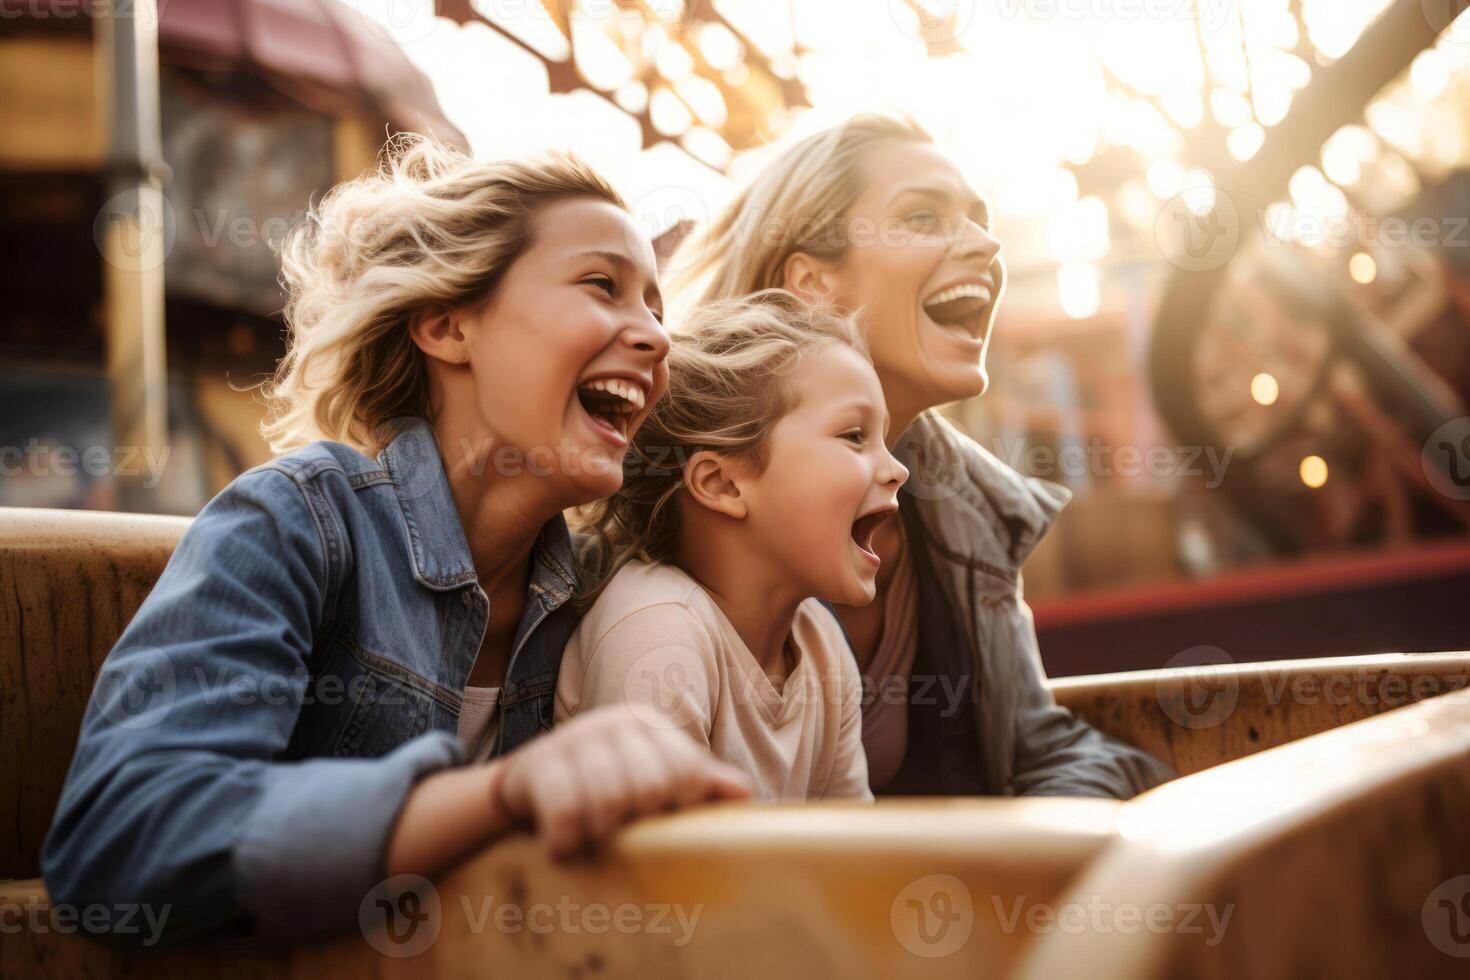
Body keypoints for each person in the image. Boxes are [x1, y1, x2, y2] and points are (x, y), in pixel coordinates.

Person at [42, 136, 751, 948]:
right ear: (448, 325)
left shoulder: (607, 593)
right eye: (603, 286)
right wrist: (501, 795)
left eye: (657, 309)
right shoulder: (295, 520)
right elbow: (124, 834)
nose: (658, 338)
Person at [668, 114, 1175, 797]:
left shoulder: (972, 509)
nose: (986, 243)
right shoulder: (666, 519)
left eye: (978, 217)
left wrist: (1023, 877)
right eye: (923, 215)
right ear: (813, 285)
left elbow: (1038, 750)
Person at [558, 291, 906, 800]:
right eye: (854, 436)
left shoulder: (821, 643)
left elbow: (854, 853)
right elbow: (658, 872)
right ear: (723, 484)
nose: (897, 469)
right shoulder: (659, 630)